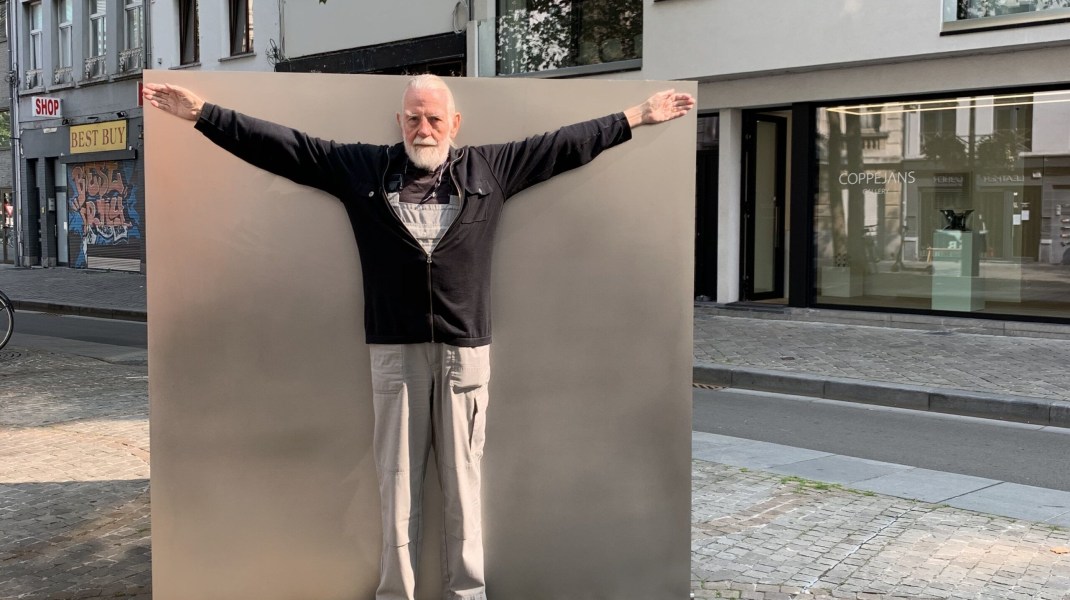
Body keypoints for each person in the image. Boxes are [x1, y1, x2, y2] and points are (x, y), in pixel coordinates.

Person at [143, 75, 694, 600]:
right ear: (399, 121)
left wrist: (639, 116)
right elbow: (285, 147)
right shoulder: (360, 168)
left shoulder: (490, 169)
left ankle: (467, 592)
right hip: (393, 353)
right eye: (412, 118)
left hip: (466, 355)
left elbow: (565, 144)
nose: (422, 128)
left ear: (454, 121)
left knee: (463, 488)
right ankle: (396, 594)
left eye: (433, 118)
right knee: (397, 486)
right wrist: (200, 114)